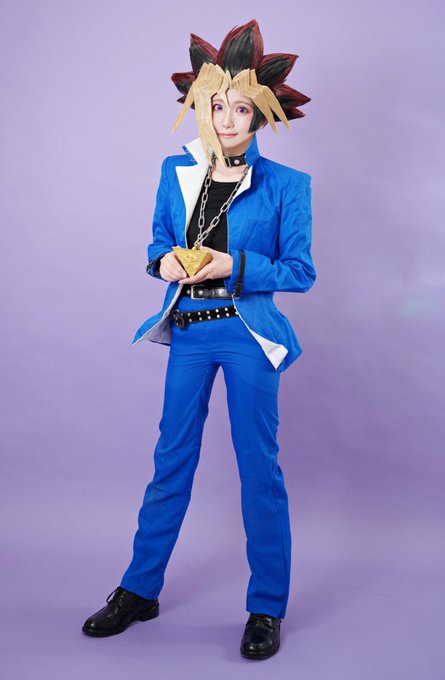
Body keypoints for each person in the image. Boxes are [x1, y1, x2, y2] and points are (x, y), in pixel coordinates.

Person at [82, 19, 316, 660]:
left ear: (261, 114)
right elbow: (159, 241)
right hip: (189, 331)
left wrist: (232, 265)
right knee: (171, 461)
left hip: (247, 335)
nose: (228, 118)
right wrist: (162, 262)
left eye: (241, 108)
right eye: (218, 106)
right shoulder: (175, 171)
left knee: (258, 469)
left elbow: (300, 272)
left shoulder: (288, 186)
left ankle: (266, 607)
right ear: (202, 108)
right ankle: (139, 590)